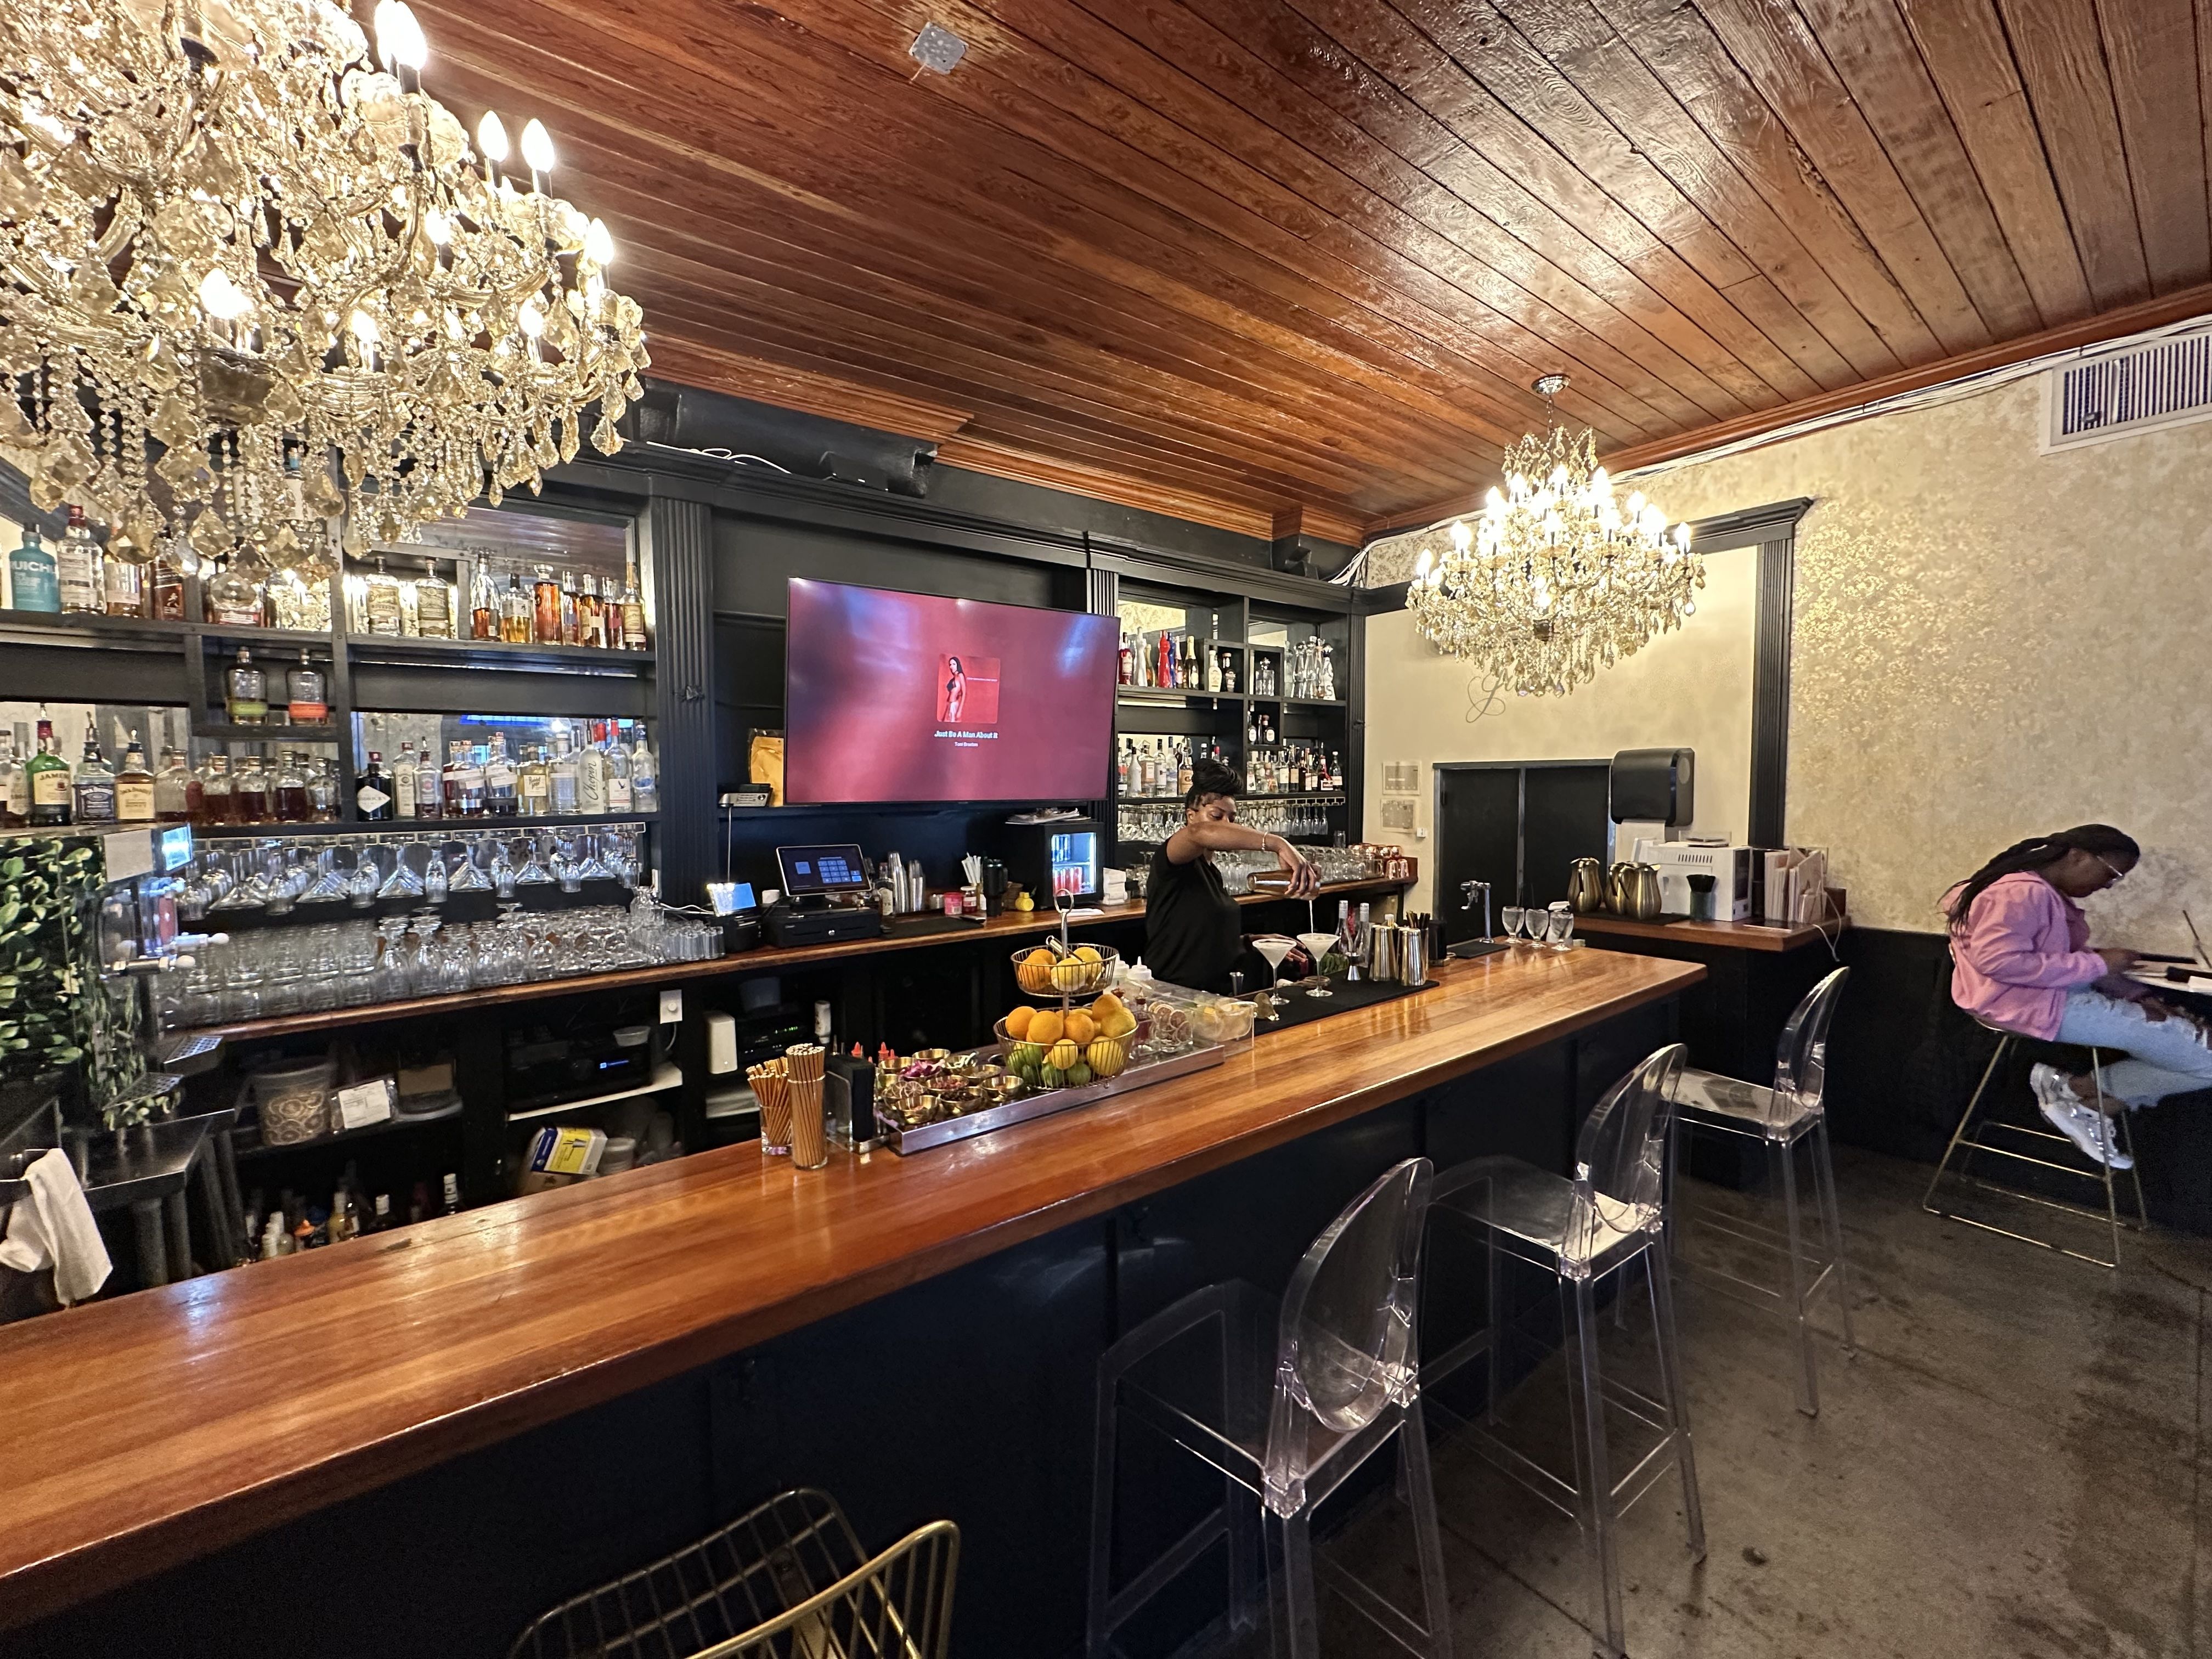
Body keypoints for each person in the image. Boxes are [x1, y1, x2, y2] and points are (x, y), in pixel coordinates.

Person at [1946, 825, 2212, 1167]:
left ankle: (2074, 1093)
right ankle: (2080, 1098)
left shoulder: (2040, 893)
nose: (2108, 885)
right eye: (2112, 874)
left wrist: (2137, 994)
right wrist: (2101, 962)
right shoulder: (2021, 893)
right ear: (2077, 856)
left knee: (2191, 1046)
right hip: (2031, 1006)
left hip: (2042, 1001)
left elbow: (2069, 961)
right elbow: (2001, 963)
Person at [1145, 758, 1317, 991]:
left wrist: (1251, 941)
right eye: (1217, 817)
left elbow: (1199, 937)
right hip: (1175, 994)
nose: (1227, 825)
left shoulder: (1212, 872)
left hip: (1212, 996)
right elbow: (1199, 833)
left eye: (1232, 819)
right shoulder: (1171, 862)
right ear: (1191, 816)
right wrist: (1278, 843)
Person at [943, 656, 966, 723]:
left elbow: (964, 693)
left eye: (954, 664)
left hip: (955, 705)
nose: (951, 666)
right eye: (950, 665)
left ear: (958, 665)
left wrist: (960, 710)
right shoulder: (954, 678)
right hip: (949, 705)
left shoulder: (960, 675)